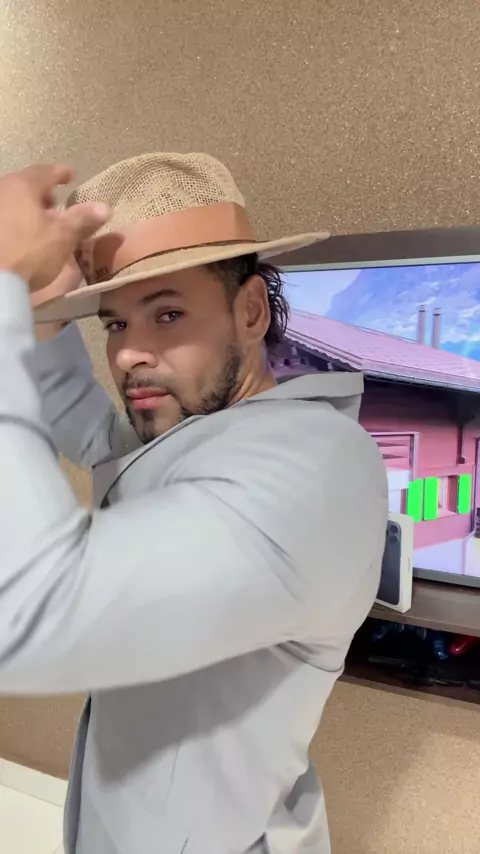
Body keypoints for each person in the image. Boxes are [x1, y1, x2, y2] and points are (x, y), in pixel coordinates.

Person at [0, 154, 388, 854]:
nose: (127, 356)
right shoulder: (209, 433)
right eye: (116, 325)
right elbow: (99, 438)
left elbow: (27, 617)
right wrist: (45, 315)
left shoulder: (317, 466)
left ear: (250, 311)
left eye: (168, 314)